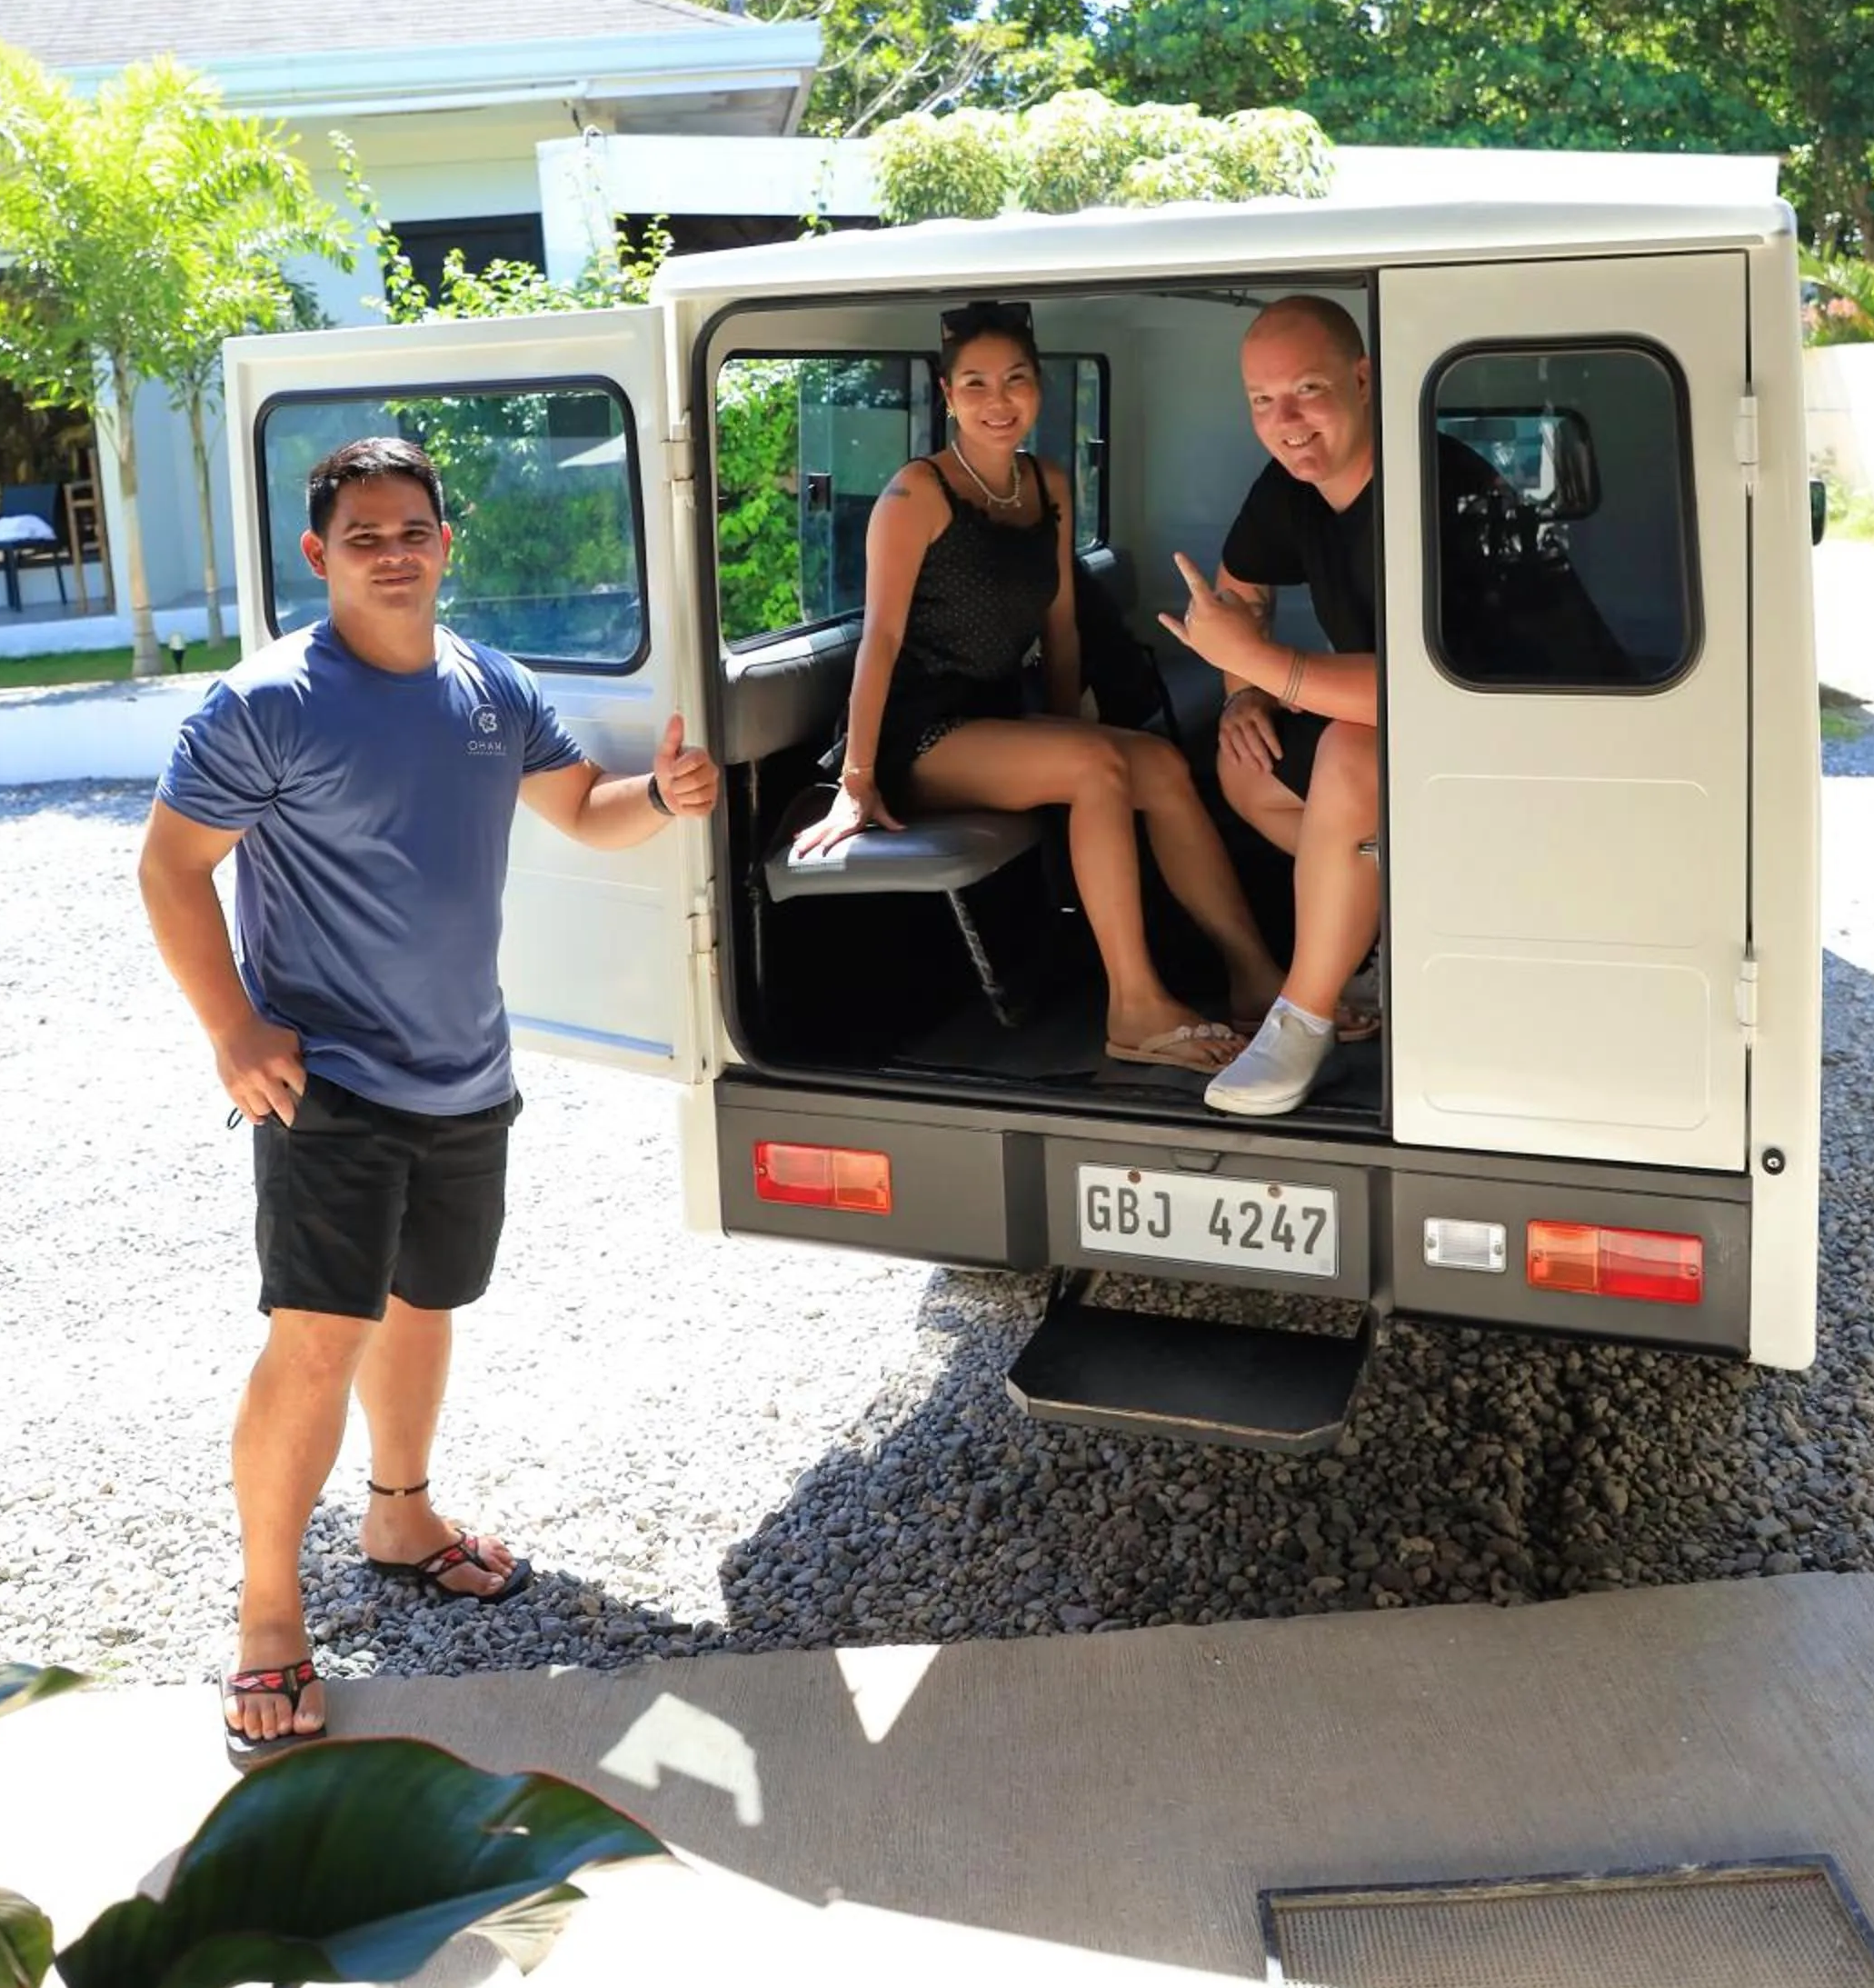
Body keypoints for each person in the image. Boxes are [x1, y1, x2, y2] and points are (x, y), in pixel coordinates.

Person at [137, 436, 719, 1765]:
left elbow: (584, 810)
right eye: (363, 535)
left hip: (468, 1075)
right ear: (318, 557)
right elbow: (171, 872)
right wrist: (232, 1026)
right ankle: (269, 1617)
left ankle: (398, 1518)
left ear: (446, 542)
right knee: (317, 1337)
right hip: (326, 1080)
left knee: (423, 1304)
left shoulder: (486, 685)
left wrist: (668, 797)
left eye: (412, 529)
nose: (392, 551)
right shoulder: (264, 704)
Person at [796, 298, 1281, 1071]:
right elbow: (879, 643)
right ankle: (1136, 1009)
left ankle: (1259, 980)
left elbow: (1061, 628)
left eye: (1016, 380)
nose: (1000, 402)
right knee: (1094, 769)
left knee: (1151, 763)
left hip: (996, 719)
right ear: (949, 396)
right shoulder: (914, 495)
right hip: (915, 733)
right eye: (977, 385)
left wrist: (1073, 731)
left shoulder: (1047, 484)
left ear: (1039, 390)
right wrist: (855, 781)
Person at [1155, 294, 1391, 1118]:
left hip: (1529, 738)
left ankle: (1304, 1014)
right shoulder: (1291, 485)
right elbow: (1238, 589)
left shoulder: (1424, 483)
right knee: (1245, 760)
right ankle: (1375, 932)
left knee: (1353, 752)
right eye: (1262, 401)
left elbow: (1423, 691)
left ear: (1363, 380)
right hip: (1405, 733)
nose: (1284, 421)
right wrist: (1244, 690)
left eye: (1308, 392)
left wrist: (1263, 661)